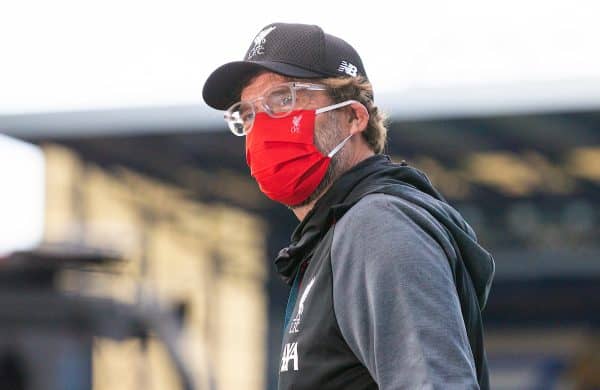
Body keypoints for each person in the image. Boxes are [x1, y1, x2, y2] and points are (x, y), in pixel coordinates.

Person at [202, 22, 495, 390]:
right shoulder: (328, 240)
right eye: (247, 114)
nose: (260, 126)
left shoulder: (379, 225)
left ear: (354, 117)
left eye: (283, 99)